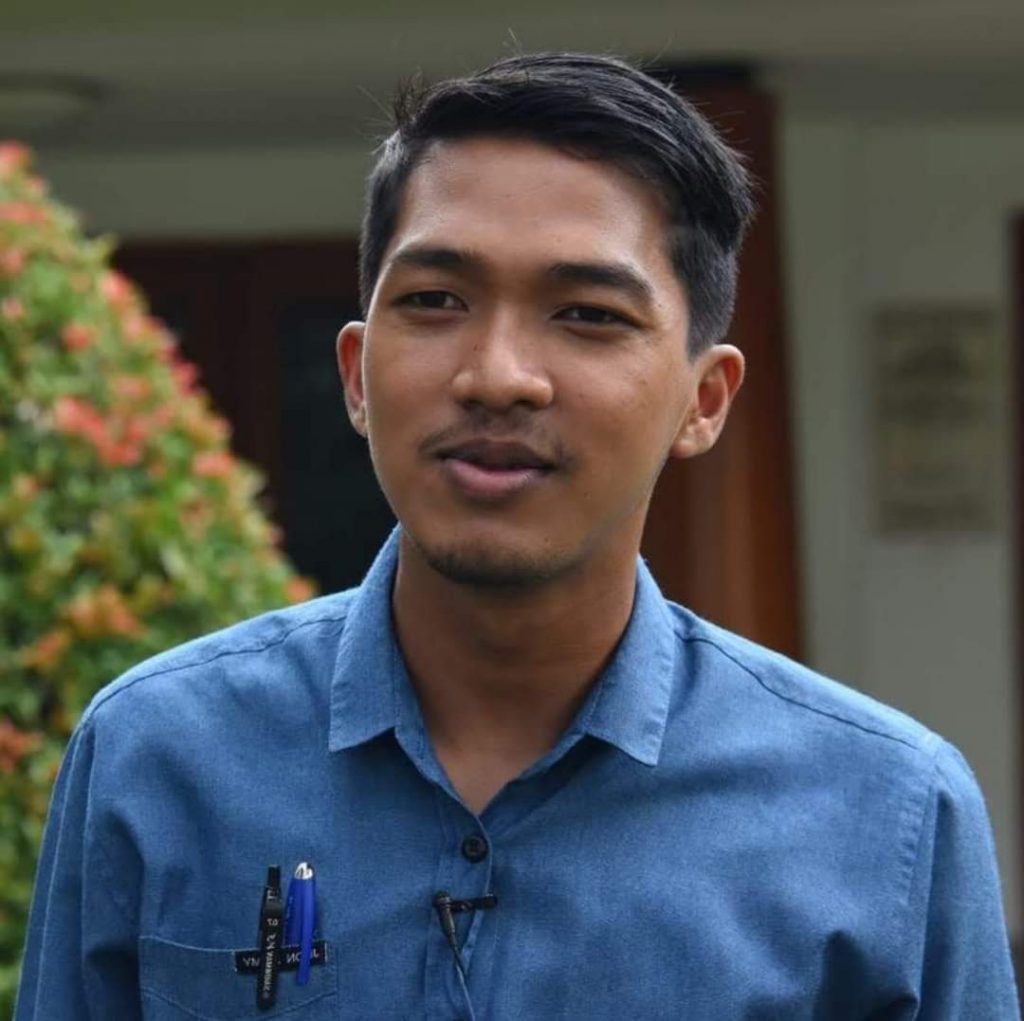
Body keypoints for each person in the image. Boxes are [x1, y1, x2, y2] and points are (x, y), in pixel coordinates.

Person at [15, 52, 1019, 1020]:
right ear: (357, 376)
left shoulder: (886, 814)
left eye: (587, 313)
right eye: (435, 301)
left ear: (704, 400)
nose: (497, 376)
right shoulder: (160, 758)